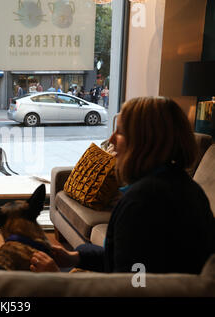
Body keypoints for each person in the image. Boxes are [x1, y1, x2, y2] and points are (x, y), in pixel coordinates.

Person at [30, 97, 214, 274]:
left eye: (120, 132)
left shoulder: (144, 203)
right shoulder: (181, 185)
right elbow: (132, 260)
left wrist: (55, 278)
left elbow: (135, 284)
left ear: (144, 141)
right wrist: (75, 257)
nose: (111, 139)